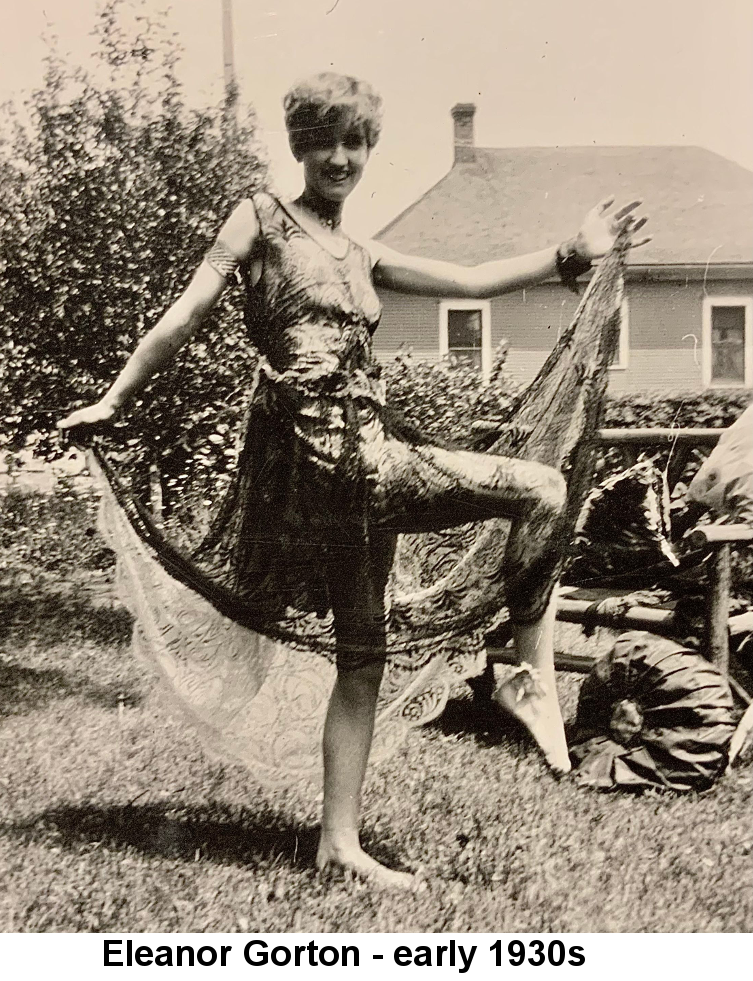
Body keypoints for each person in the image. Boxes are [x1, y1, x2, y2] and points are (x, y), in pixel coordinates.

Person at [59, 72, 649, 890]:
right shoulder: (259, 217)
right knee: (541, 487)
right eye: (322, 141)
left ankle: (339, 842)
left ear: (369, 149)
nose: (338, 157)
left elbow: (472, 279)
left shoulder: (361, 250)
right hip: (331, 456)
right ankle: (529, 678)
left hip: (359, 460)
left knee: (362, 657)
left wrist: (566, 253)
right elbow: (184, 313)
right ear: (298, 146)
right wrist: (115, 397)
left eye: (354, 143)